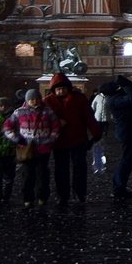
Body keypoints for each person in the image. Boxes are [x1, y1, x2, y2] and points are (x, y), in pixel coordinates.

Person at [44, 72, 99, 206]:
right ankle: (62, 194)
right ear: (53, 90)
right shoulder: (48, 101)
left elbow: (89, 117)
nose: (61, 91)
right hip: (59, 140)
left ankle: (79, 193)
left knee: (79, 167)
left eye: (63, 88)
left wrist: (96, 133)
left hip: (77, 139)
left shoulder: (79, 99)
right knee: (61, 169)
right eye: (58, 89)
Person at [2, 88, 60, 208]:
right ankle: (27, 198)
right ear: (27, 100)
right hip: (27, 148)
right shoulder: (19, 112)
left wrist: (51, 139)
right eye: (32, 99)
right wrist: (16, 138)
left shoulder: (48, 111)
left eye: (37, 99)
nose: (35, 101)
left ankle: (42, 197)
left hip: (43, 147)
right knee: (27, 174)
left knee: (42, 174)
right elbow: (7, 126)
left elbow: (56, 127)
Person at [97, 75, 132, 199]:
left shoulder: (116, 97)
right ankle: (118, 187)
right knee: (127, 160)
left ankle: (119, 186)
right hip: (129, 132)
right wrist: (126, 84)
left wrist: (126, 83)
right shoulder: (114, 100)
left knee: (128, 160)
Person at [0, 97, 17, 205]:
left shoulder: (14, 117)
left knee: (9, 176)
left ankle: (6, 196)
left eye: (5, 105)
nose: (3, 108)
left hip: (10, 150)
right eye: (1, 106)